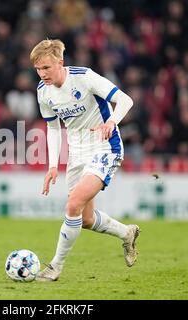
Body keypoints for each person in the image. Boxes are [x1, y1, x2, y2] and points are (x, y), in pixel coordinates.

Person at [30, 39, 140, 281]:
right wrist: (51, 166)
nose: (42, 74)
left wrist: (111, 122)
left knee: (72, 205)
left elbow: (125, 100)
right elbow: (54, 129)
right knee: (86, 219)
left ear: (60, 62)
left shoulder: (85, 77)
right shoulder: (43, 91)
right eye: (38, 69)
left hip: (104, 147)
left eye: (46, 67)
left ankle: (55, 267)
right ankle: (127, 233)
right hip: (77, 154)